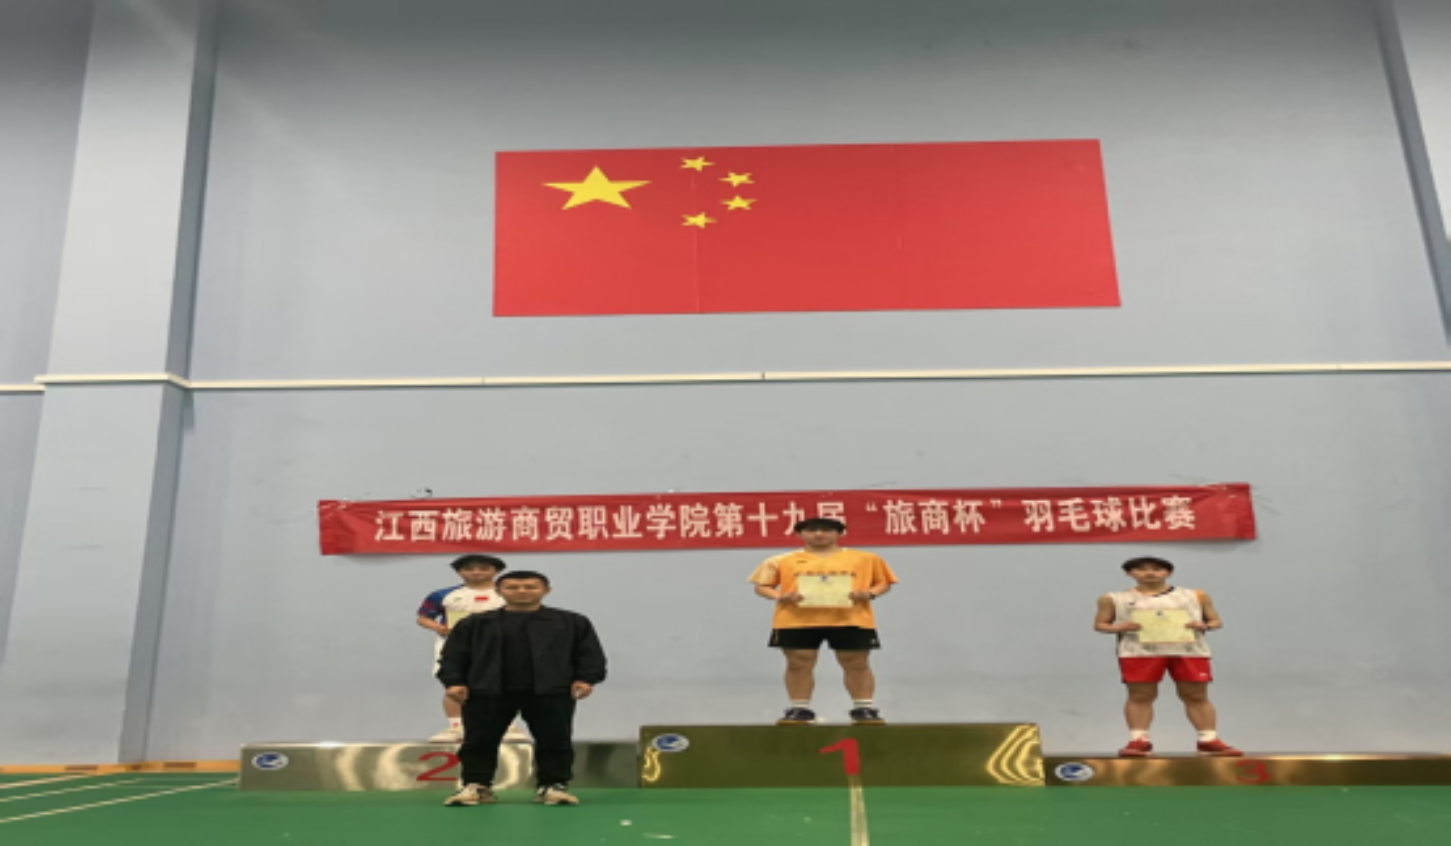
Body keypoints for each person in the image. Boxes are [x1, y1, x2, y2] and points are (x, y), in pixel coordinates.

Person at [438, 570, 607, 807]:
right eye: (513, 587)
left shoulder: (572, 622)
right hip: (487, 690)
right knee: (478, 741)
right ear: (498, 591)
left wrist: (587, 679)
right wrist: (454, 681)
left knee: (555, 740)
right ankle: (476, 785)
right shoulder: (475, 623)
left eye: (530, 587)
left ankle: (553, 785)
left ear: (546, 590)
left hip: (551, 689)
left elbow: (589, 654)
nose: (522, 591)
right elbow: (453, 656)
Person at [748, 517, 898, 726]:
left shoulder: (866, 558)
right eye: (811, 530)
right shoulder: (779, 560)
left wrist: (869, 593)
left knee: (856, 662)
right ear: (799, 534)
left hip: (851, 618)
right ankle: (799, 708)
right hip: (796, 619)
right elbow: (762, 586)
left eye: (826, 530)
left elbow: (883, 583)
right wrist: (780, 596)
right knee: (798, 663)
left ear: (840, 533)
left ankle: (864, 708)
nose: (819, 534)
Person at [1094, 556, 1242, 757]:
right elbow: (1100, 624)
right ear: (1129, 573)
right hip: (1139, 651)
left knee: (1196, 695)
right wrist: (1119, 627)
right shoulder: (1113, 598)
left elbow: (1215, 621)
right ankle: (1139, 740)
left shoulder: (1195, 595)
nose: (1149, 573)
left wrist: (1204, 625)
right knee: (1140, 696)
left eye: (1157, 569)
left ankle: (1208, 739)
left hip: (1188, 650)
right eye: (1141, 569)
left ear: (1169, 572)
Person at [415, 554, 527, 743]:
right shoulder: (442, 595)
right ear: (459, 572)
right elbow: (423, 618)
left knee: (507, 686)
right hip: (456, 648)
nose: (476, 572)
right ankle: (456, 727)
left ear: (496, 571)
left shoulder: (510, 593)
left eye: (483, 568)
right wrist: (439, 627)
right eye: (469, 568)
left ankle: (508, 726)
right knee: (454, 686)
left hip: (502, 647)